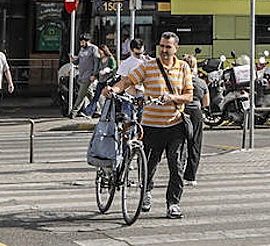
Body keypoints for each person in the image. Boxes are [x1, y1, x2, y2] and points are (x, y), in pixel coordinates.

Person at [105, 32, 192, 219]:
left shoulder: (183, 68)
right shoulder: (148, 66)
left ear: (176, 48)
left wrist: (173, 98)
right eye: (162, 45)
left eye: (168, 46)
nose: (164, 50)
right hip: (151, 125)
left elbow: (189, 96)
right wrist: (114, 89)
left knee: (176, 166)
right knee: (149, 165)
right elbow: (128, 81)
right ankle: (146, 193)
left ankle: (173, 204)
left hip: (175, 124)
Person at [181, 54, 209, 186]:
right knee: (195, 144)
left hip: (181, 112)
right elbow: (206, 103)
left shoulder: (179, 80)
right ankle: (190, 176)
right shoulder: (201, 82)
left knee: (179, 144)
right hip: (196, 113)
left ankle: (178, 173)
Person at [71, 34, 100, 117]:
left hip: (88, 75)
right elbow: (79, 61)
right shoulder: (82, 49)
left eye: (83, 42)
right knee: (89, 94)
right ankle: (98, 109)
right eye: (81, 42)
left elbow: (96, 62)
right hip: (81, 75)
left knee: (81, 94)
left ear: (88, 41)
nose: (81, 44)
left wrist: (94, 74)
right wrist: (73, 60)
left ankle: (74, 112)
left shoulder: (93, 49)